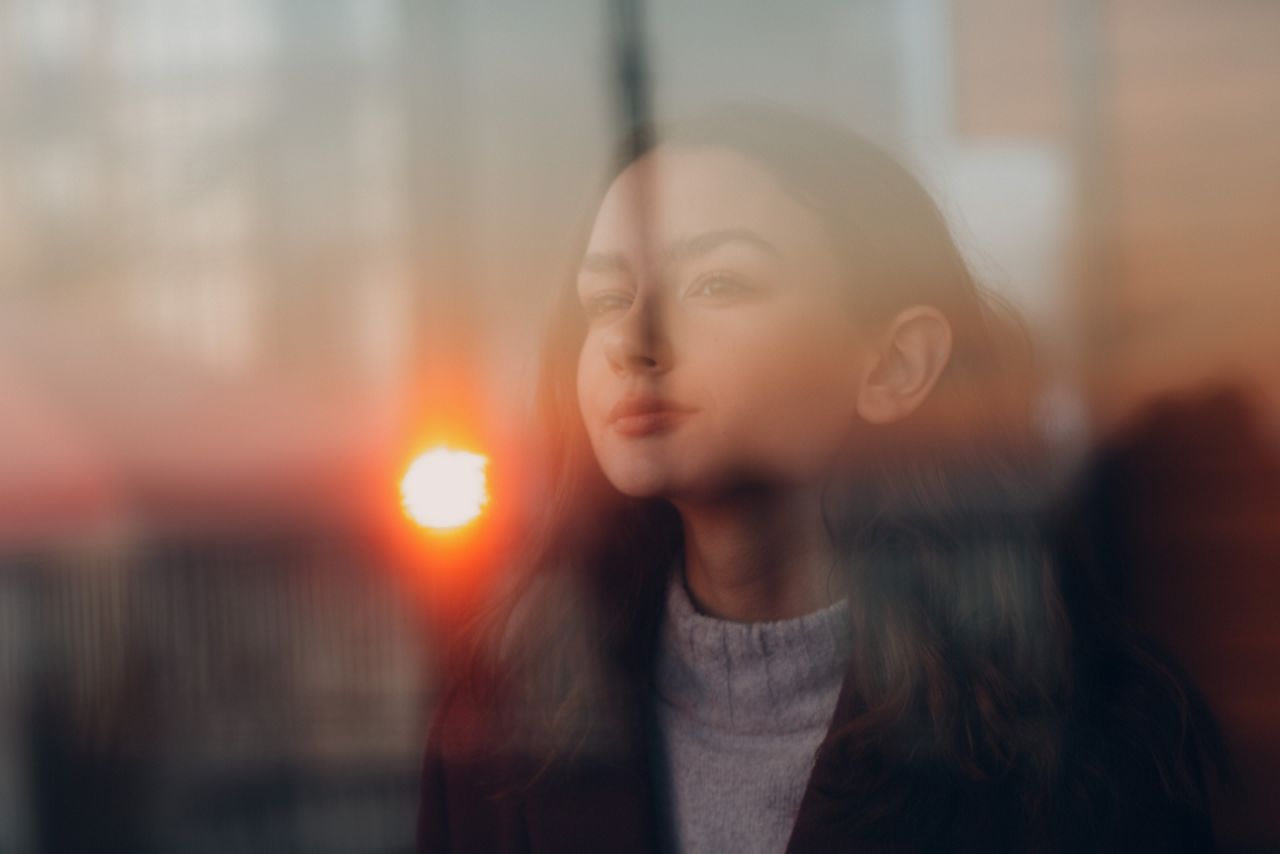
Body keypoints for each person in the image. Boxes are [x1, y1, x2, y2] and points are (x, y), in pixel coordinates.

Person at [416, 104, 1220, 853]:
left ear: (897, 364)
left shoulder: (1077, 731)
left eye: (717, 283)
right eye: (605, 297)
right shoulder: (504, 721)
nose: (632, 340)